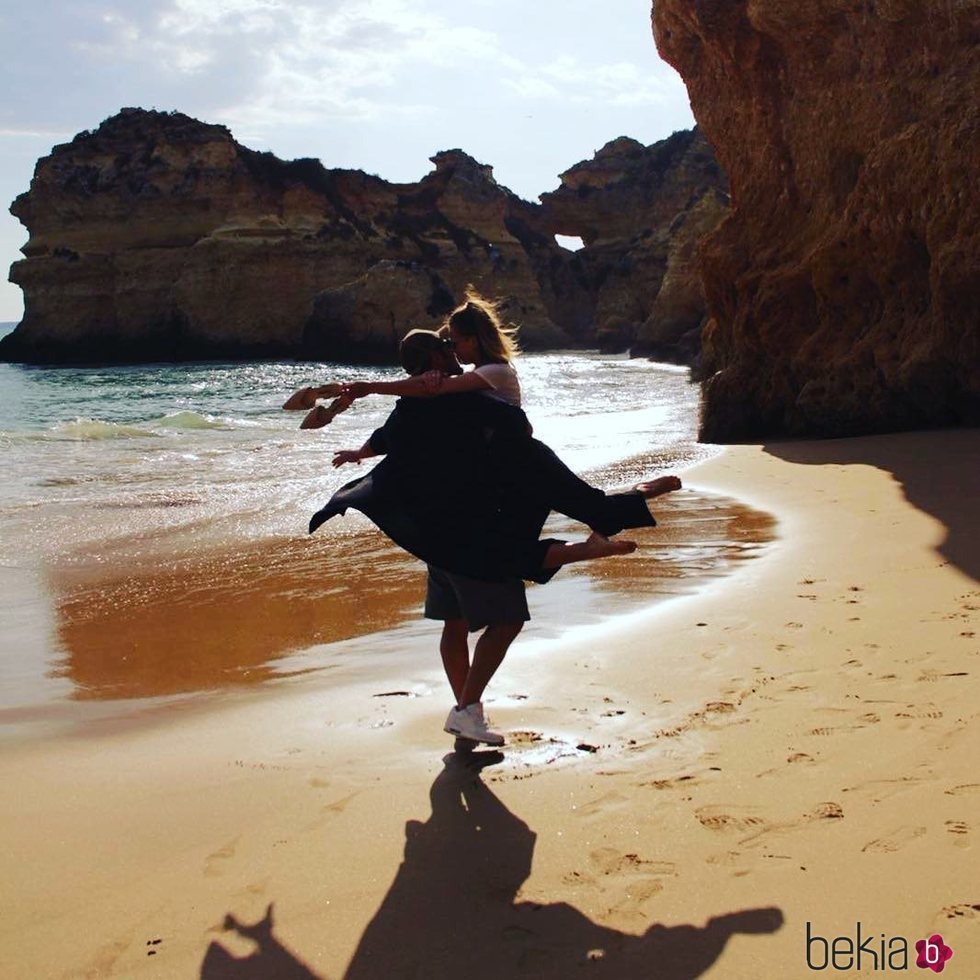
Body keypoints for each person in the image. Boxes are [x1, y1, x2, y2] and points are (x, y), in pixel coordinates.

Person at [298, 328, 681, 746]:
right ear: (434, 361)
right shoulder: (455, 399)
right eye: (446, 348)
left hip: (433, 534)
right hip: (467, 535)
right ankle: (467, 710)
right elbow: (514, 429)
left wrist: (360, 450)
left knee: (454, 622)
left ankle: (468, 718)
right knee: (507, 618)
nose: (453, 351)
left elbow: (389, 436)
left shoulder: (411, 406)